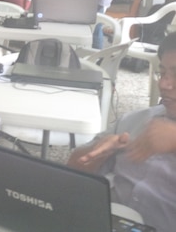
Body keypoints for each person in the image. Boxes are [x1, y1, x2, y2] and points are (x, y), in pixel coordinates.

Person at [67, 33, 176, 232]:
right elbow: (73, 171)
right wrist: (98, 153)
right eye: (162, 73)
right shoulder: (136, 120)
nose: (164, 84)